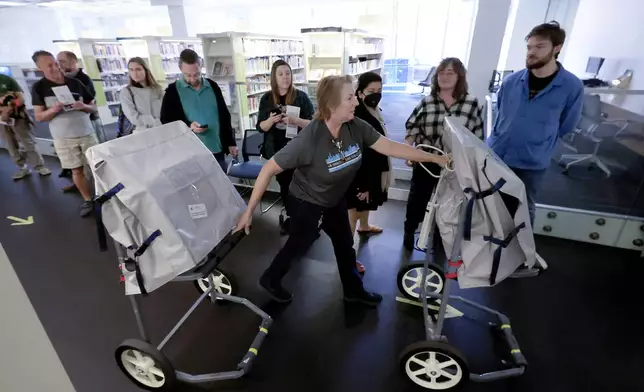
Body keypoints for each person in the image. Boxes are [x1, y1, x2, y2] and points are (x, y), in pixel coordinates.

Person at [234, 75, 450, 307]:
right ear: (331, 105)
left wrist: (434, 158)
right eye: (349, 97)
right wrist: (249, 212)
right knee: (300, 243)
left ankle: (353, 290)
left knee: (344, 243)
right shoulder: (310, 139)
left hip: (333, 198)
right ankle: (270, 278)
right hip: (306, 200)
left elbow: (389, 147)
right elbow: (267, 169)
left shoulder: (355, 126)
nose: (356, 101)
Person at [488, 21, 583, 226]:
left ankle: (522, 253)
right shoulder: (511, 81)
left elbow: (567, 125)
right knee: (490, 204)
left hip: (532, 161)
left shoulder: (571, 86)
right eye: (530, 47)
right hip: (498, 154)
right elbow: (501, 114)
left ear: (556, 48)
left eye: (539, 47)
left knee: (523, 207)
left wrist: (540, 140)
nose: (531, 52)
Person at [403, 57, 484, 252]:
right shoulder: (427, 102)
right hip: (427, 160)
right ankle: (409, 232)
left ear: (460, 77)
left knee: (448, 203)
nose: (445, 77)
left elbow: (477, 138)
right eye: (441, 72)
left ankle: (440, 239)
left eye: (450, 73)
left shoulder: (471, 104)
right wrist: (409, 151)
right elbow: (412, 129)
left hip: (454, 164)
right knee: (417, 199)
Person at [31, 50, 98, 217]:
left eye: (55, 63)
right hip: (63, 137)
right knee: (76, 170)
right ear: (40, 68)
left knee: (97, 167)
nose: (55, 68)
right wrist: (54, 109)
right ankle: (88, 199)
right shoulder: (39, 88)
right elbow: (39, 116)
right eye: (49, 66)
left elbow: (94, 106)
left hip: (86, 132)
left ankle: (102, 194)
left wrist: (83, 107)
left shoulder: (75, 83)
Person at [256, 59, 314, 235]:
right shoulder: (267, 99)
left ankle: (303, 219)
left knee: (300, 185)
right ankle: (293, 218)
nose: (285, 77)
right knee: (285, 185)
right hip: (276, 150)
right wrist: (271, 120)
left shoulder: (301, 97)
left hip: (298, 149)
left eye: (288, 73)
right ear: (274, 77)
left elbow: (313, 125)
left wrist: (295, 120)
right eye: (280, 74)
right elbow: (261, 127)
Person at [160, 49, 238, 171]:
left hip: (216, 148)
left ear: (201, 66)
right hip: (190, 153)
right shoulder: (172, 91)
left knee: (220, 185)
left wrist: (231, 142)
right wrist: (189, 125)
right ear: (180, 69)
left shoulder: (212, 86)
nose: (192, 79)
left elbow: (224, 115)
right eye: (188, 75)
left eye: (196, 74)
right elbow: (166, 120)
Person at [345, 72, 391, 274]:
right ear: (360, 92)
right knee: (353, 211)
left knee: (364, 205)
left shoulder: (371, 109)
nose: (376, 95)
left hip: (371, 170)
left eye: (379, 91)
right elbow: (359, 152)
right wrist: (363, 184)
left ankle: (365, 226)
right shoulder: (359, 115)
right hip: (360, 173)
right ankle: (347, 256)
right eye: (371, 91)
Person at [0, 73, 50, 180]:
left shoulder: (6, 79)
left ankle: (39, 166)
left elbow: (21, 98)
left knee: (28, 142)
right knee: (11, 145)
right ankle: (23, 168)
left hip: (17, 116)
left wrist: (8, 111)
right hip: (1, 121)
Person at [57, 51, 106, 143]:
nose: (59, 64)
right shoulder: (61, 79)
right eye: (58, 62)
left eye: (62, 61)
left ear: (72, 62)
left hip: (89, 120)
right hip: (70, 123)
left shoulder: (84, 79)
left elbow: (90, 101)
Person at [119, 57, 164, 131]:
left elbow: (166, 110)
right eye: (131, 70)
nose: (135, 73)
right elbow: (133, 117)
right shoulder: (126, 92)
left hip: (162, 129)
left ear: (145, 70)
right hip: (143, 132)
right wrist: (151, 121)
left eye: (138, 69)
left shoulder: (158, 89)